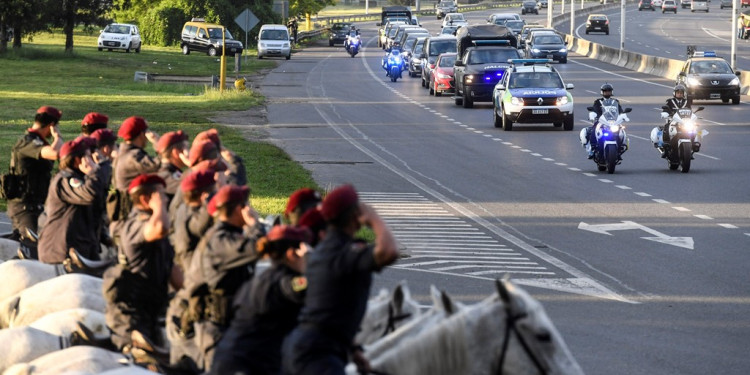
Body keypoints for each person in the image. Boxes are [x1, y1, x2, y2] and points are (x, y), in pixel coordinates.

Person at [282, 184, 399, 375]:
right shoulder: (346, 252)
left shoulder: (323, 250)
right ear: (355, 217)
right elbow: (389, 251)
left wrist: (353, 351)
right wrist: (374, 219)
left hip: (304, 347)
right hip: (319, 355)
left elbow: (331, 309)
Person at [171, 184, 262, 372]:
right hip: (211, 325)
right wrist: (255, 224)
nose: (250, 208)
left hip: (222, 323)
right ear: (238, 209)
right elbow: (256, 247)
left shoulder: (228, 235)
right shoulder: (220, 240)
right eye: (246, 205)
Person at [102, 174, 182, 367]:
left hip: (151, 314)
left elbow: (174, 274)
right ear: (147, 200)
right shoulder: (135, 225)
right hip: (131, 320)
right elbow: (160, 227)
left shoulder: (156, 236)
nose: (166, 200)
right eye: (161, 196)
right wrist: (159, 207)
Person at [210, 225, 312, 375]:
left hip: (232, 361)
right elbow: (303, 287)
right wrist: (311, 263)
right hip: (245, 365)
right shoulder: (282, 281)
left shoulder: (261, 279)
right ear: (292, 254)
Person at [38, 137, 112, 263]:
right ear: (78, 160)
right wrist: (96, 171)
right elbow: (90, 194)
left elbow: (93, 213)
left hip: (81, 247)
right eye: (88, 156)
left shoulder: (83, 179)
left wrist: (107, 239)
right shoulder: (66, 180)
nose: (93, 160)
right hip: (61, 251)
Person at [6, 106, 64, 251]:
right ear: (51, 125)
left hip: (34, 205)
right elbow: (56, 153)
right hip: (25, 206)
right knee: (32, 249)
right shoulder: (29, 141)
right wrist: (58, 137)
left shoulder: (38, 141)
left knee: (24, 247)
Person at [110, 116, 161, 243]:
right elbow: (159, 166)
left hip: (124, 212)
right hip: (130, 214)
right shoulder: (133, 157)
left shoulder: (123, 153)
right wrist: (157, 143)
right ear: (141, 135)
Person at [585, 83, 624, 158]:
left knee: (621, 131)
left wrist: (622, 115)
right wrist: (595, 115)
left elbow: (620, 110)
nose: (607, 92)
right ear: (602, 92)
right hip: (601, 120)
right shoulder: (598, 101)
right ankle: (593, 148)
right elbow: (595, 109)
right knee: (593, 129)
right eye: (605, 91)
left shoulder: (615, 101)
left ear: (611, 92)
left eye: (609, 91)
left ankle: (620, 148)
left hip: (613, 121)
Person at [155, 130, 190, 204]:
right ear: (176, 153)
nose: (189, 152)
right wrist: (194, 165)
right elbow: (194, 190)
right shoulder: (167, 176)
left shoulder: (167, 170)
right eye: (186, 148)